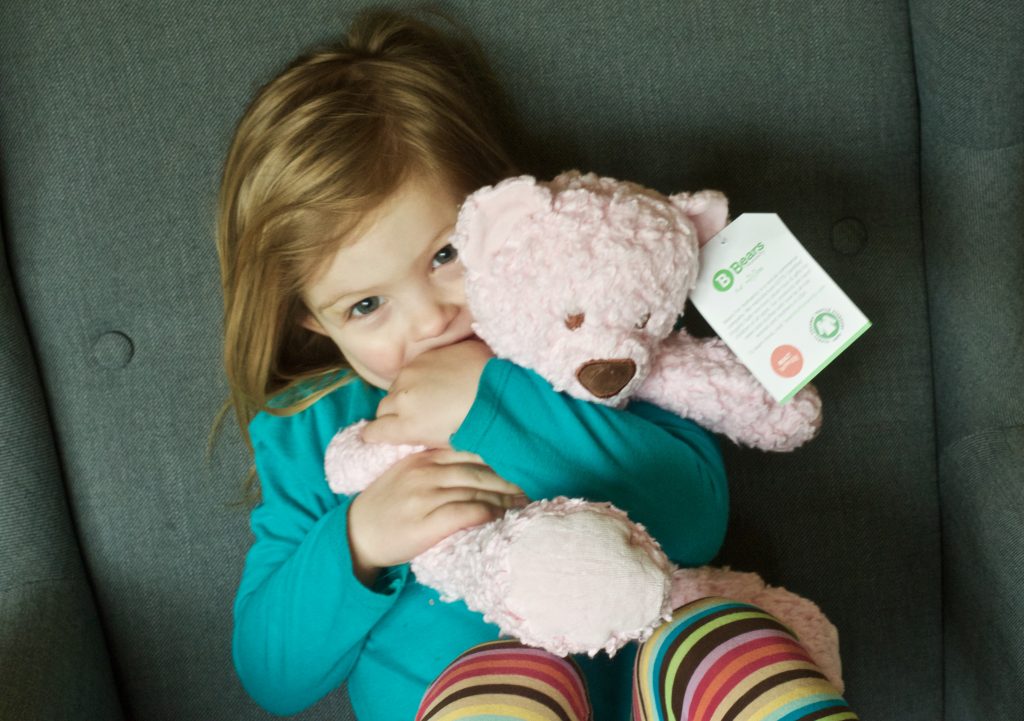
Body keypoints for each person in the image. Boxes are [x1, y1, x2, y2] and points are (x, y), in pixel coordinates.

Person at [217, 9, 857, 721]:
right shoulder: (313, 425)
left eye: (444, 255)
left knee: (731, 640)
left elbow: (694, 518)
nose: (429, 320)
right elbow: (270, 674)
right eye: (366, 305)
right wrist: (360, 539)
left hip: (655, 682)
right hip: (458, 692)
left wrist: (488, 403)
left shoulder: (578, 345)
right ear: (314, 320)